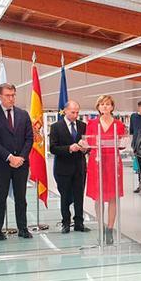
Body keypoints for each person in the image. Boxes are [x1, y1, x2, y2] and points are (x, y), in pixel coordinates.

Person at [0, 83, 34, 240]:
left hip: (21, 163)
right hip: (2, 164)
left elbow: (29, 138)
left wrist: (21, 157)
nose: (12, 98)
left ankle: (23, 228)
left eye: (13, 95)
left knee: (21, 198)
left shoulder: (23, 114)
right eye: (8, 95)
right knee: (0, 197)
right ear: (0, 96)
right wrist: (9, 157)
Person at [85, 95, 125, 245]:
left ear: (112, 107)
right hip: (97, 161)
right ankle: (100, 226)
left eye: (108, 104)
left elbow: (121, 144)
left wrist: (123, 142)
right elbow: (89, 142)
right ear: (98, 107)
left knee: (113, 197)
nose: (105, 107)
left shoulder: (118, 124)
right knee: (99, 196)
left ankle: (110, 229)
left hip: (113, 161)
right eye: (102, 104)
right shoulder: (92, 123)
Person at [49, 100, 89, 234]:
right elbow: (53, 148)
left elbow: (88, 145)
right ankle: (65, 222)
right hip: (63, 167)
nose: (75, 115)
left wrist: (85, 149)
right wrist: (69, 148)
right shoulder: (56, 127)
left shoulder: (83, 125)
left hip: (79, 167)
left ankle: (79, 223)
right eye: (73, 112)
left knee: (79, 196)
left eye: (77, 112)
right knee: (64, 196)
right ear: (65, 111)